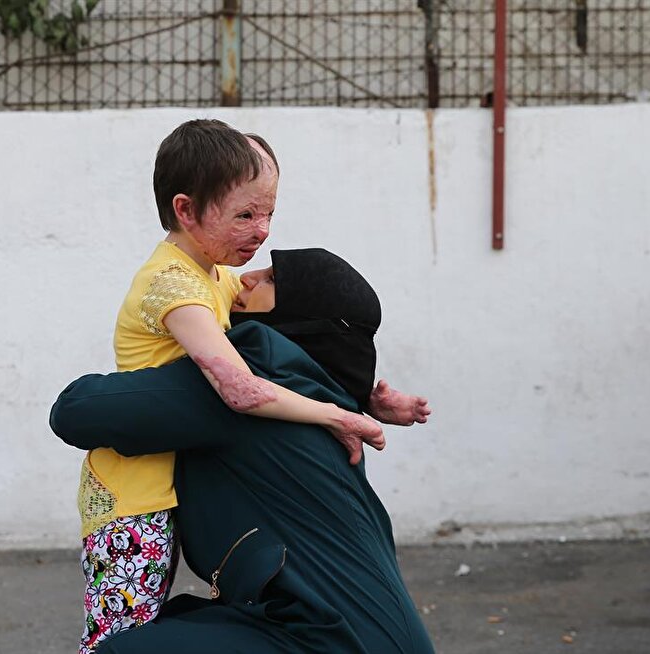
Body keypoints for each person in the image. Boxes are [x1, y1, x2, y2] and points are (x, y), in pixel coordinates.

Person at [77, 121, 385, 651]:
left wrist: (368, 396)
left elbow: (295, 348)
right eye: (245, 215)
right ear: (186, 211)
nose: (264, 230)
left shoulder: (216, 274)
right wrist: (334, 415)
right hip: (135, 498)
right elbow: (240, 389)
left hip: (173, 487)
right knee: (113, 642)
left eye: (269, 213)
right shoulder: (174, 286)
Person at [51, 248, 435, 653]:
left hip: (327, 639)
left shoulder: (247, 379)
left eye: (270, 280)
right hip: (362, 634)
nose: (247, 279)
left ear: (300, 317)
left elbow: (76, 410)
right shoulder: (319, 395)